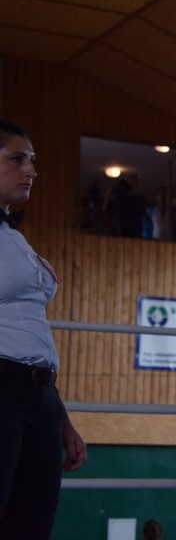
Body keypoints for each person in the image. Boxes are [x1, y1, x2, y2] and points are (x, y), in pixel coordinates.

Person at [0, 118, 88, 538]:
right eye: (17, 160)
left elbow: (32, 331)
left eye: (32, 161)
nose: (31, 170)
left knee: (32, 527)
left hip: (39, 395)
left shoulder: (15, 238)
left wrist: (60, 417)